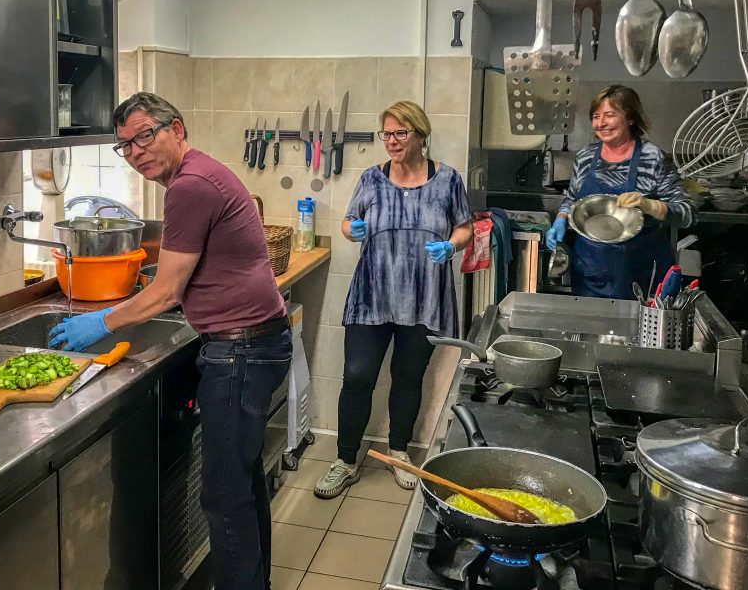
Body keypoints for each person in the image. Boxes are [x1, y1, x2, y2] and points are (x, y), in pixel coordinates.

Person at [47, 93, 291, 590]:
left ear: (175, 129)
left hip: (240, 352)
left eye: (144, 136)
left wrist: (102, 323)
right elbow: (186, 273)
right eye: (125, 146)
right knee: (241, 489)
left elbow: (166, 293)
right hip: (254, 343)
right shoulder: (194, 175)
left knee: (224, 498)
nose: (136, 152)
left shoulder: (191, 186)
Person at [314, 100, 473, 499]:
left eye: (400, 133)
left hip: (424, 297)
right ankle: (346, 461)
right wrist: (355, 229)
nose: (392, 141)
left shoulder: (448, 180)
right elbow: (348, 223)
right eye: (387, 133)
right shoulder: (372, 178)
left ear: (421, 135)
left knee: (407, 379)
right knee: (357, 378)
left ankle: (399, 453)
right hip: (372, 295)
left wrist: (451, 248)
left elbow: (465, 227)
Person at [545, 85, 694, 299]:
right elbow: (572, 199)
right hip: (590, 271)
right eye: (596, 116)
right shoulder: (586, 157)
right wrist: (560, 219)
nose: (601, 123)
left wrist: (650, 205)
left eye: (609, 115)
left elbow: (688, 212)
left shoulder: (653, 158)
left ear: (630, 118)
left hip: (640, 274)